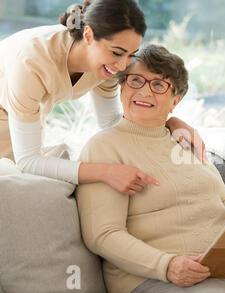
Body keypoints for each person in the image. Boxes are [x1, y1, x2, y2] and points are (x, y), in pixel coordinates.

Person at [75, 44, 225, 293]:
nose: (144, 91)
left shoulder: (185, 140)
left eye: (158, 85)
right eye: (136, 80)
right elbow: (103, 235)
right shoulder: (104, 147)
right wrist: (167, 265)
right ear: (122, 88)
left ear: (175, 101)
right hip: (151, 277)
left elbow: (223, 197)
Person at [0, 0, 205, 196]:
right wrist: (107, 172)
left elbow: (110, 123)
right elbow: (29, 161)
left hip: (17, 126)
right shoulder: (32, 61)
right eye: (117, 52)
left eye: (131, 55)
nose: (123, 66)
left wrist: (170, 122)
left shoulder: (106, 67)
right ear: (88, 35)